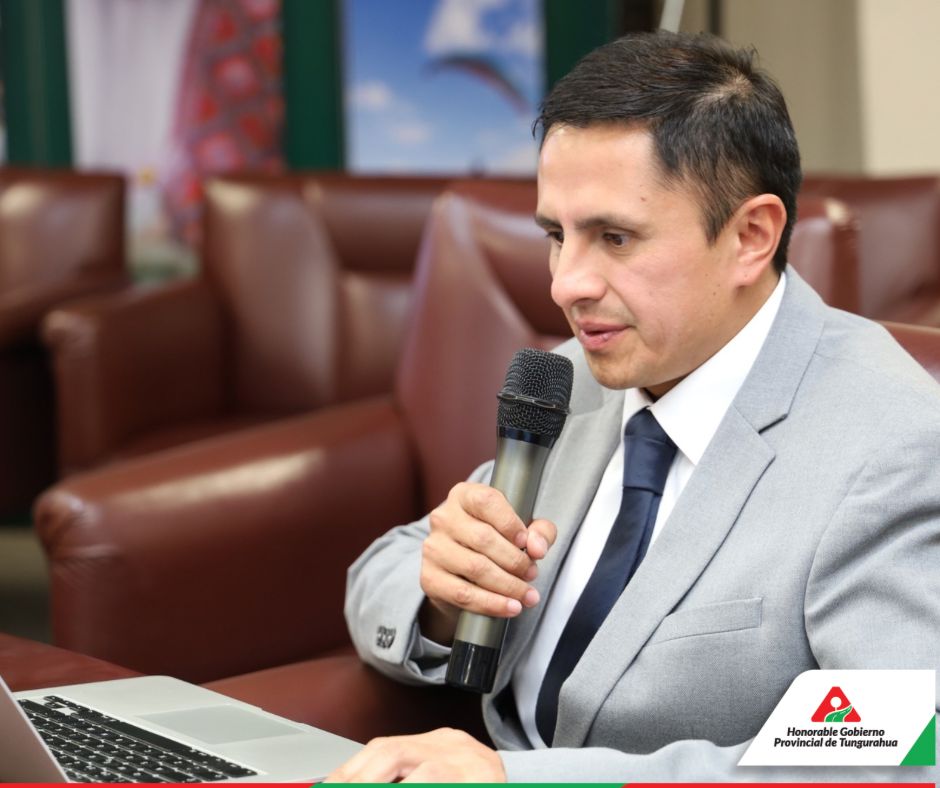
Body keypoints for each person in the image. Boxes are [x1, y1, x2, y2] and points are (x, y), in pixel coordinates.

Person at [327, 31, 940, 782]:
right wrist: (447, 601)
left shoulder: (894, 443)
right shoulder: (573, 377)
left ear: (751, 236)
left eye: (614, 238)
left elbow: (891, 752)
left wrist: (525, 781)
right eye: (557, 235)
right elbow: (379, 578)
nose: (565, 285)